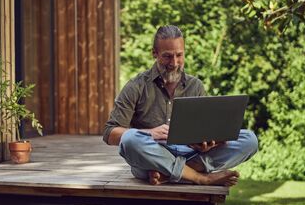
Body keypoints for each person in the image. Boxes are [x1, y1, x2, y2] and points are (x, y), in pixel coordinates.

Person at [102, 25, 258, 187]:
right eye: (167, 56)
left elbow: (204, 130)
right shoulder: (136, 86)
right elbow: (110, 133)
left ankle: (171, 174)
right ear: (154, 53)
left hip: (190, 155)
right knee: (130, 139)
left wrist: (206, 143)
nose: (174, 63)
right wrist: (150, 133)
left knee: (249, 140)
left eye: (179, 55)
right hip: (151, 157)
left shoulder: (195, 86)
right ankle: (200, 177)